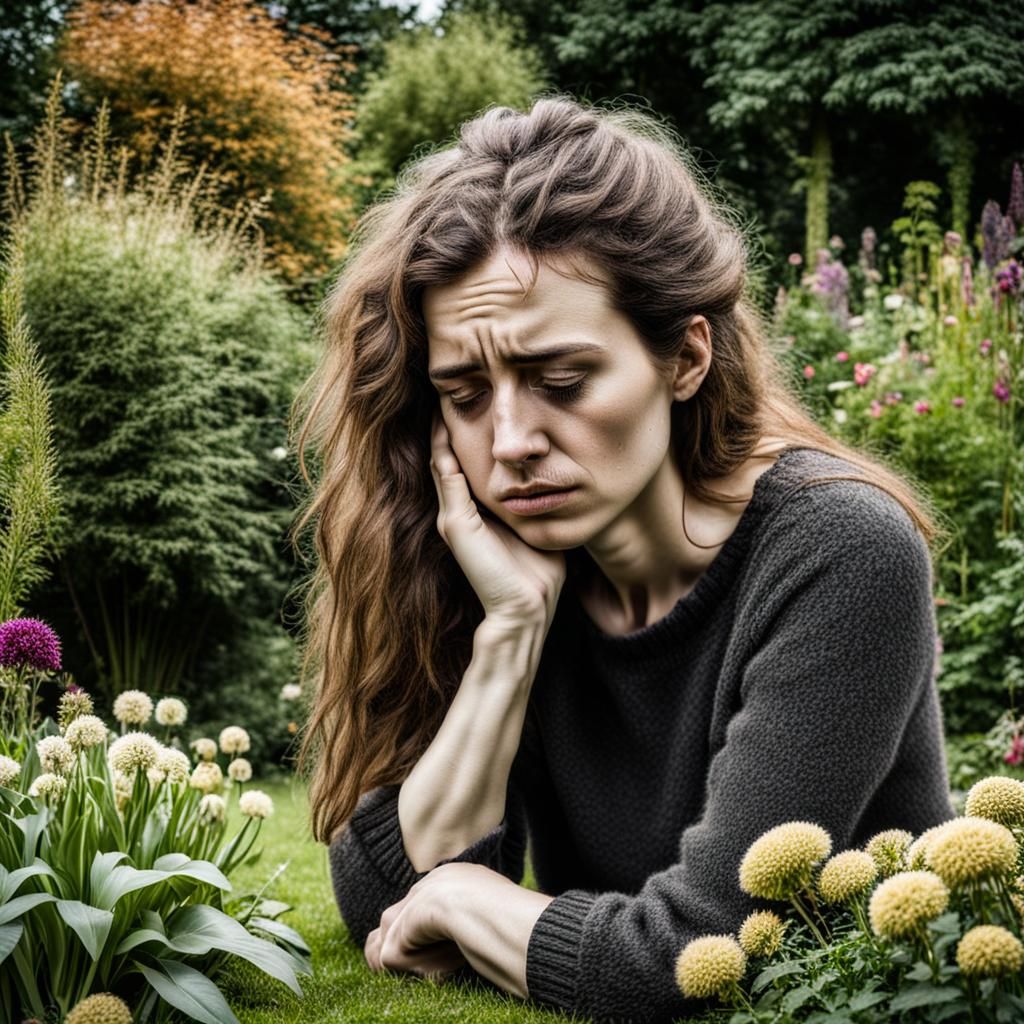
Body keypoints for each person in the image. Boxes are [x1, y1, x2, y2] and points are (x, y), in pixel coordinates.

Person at [291, 95, 957, 1023]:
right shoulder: (513, 560)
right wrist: (511, 637)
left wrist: (465, 899)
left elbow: (698, 956)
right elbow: (379, 897)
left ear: (685, 359)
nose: (512, 439)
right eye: (466, 394)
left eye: (562, 380)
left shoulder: (840, 551)